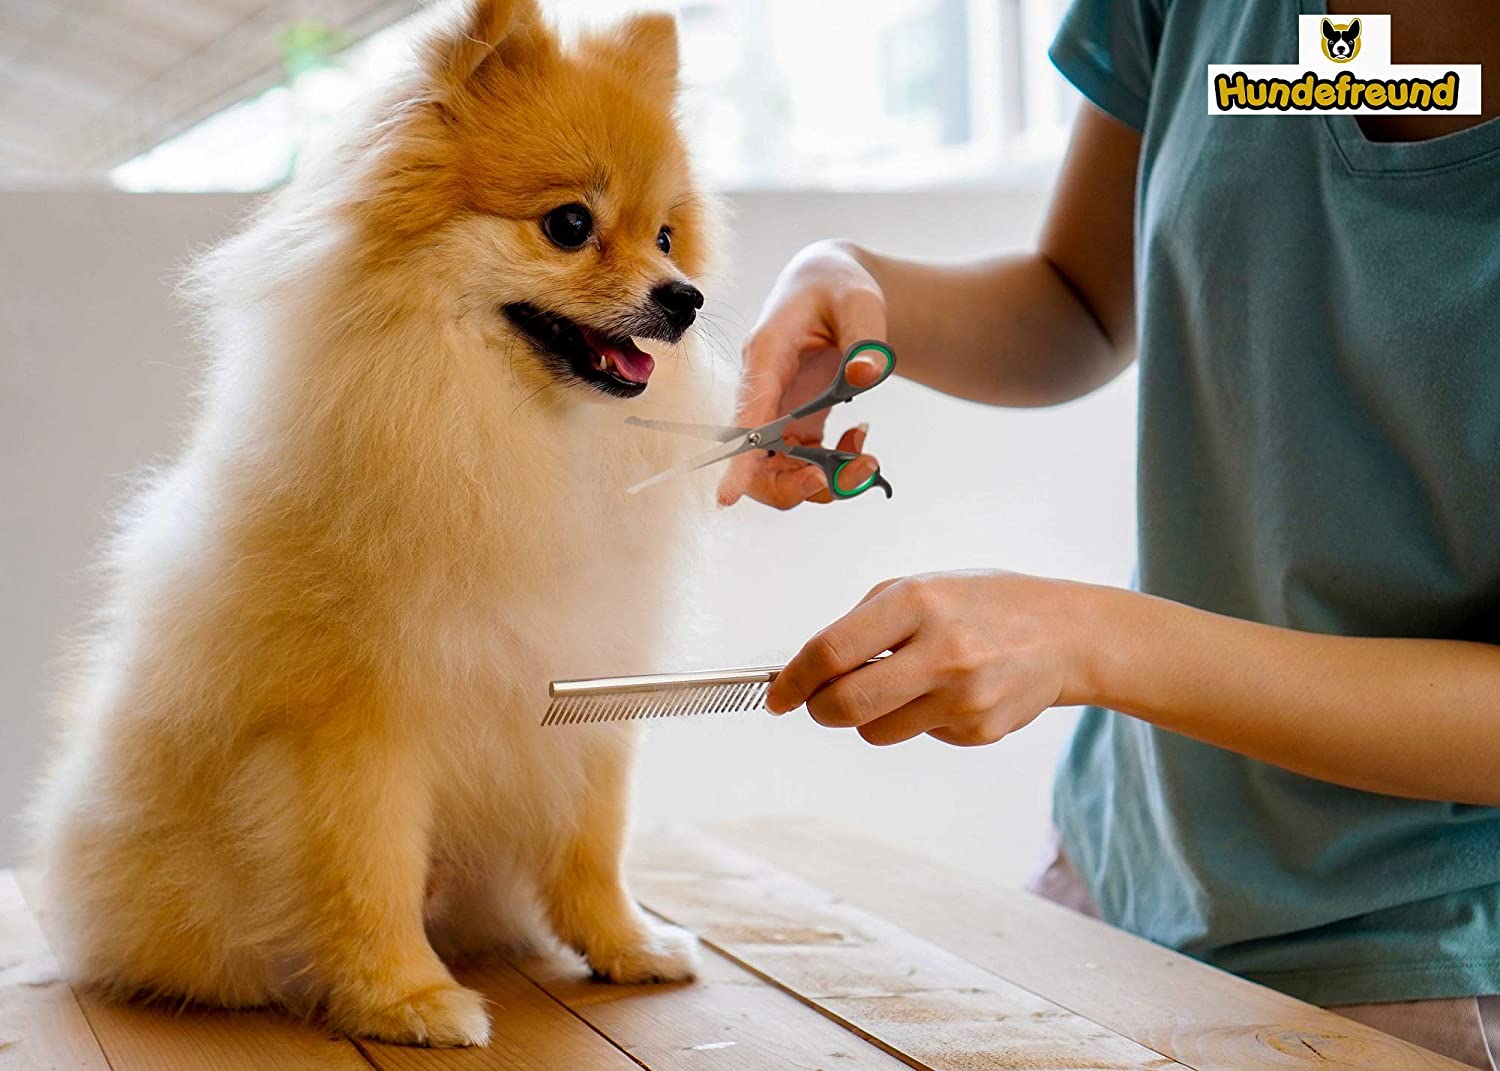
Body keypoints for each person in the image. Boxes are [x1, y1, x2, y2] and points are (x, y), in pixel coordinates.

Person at [719, 1, 1500, 1065]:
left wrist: (1094, 642)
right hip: (1118, 882)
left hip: (1420, 971)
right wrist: (854, 282)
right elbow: (1081, 300)